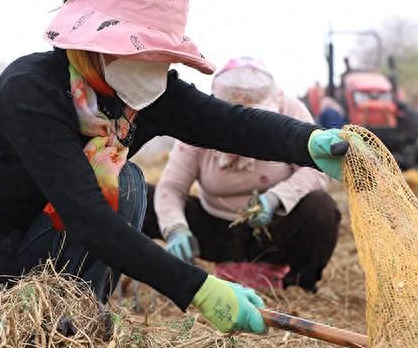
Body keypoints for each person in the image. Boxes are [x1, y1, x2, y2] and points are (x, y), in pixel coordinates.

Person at [0, 0, 350, 336]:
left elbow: (232, 124)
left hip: (37, 254)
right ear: (97, 35)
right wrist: (199, 288)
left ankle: (74, 321)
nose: (153, 64)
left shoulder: (144, 95)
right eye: (141, 49)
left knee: (126, 181)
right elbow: (86, 216)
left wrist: (310, 142)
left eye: (160, 53)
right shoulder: (31, 91)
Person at [142, 58, 341, 292]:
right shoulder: (202, 115)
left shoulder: (291, 109)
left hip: (273, 232)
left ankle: (299, 285)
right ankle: (170, 274)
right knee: (141, 196)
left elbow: (314, 170)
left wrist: (274, 199)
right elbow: (172, 186)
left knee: (321, 207)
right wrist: (175, 228)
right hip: (217, 232)